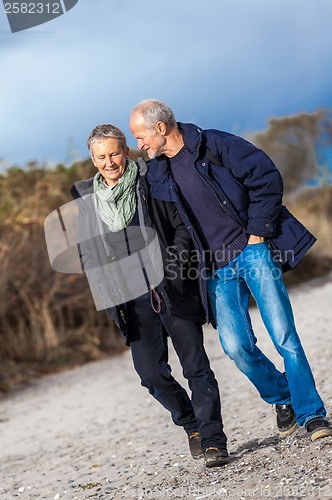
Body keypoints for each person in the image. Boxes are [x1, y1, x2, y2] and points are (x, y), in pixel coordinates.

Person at [129, 99, 332, 442]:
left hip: (253, 252)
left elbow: (265, 176)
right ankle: (283, 396)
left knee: (284, 336)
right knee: (236, 346)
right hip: (215, 270)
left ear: (160, 128)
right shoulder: (157, 172)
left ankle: (312, 414)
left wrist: (257, 232)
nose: (140, 145)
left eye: (141, 136)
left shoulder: (214, 144)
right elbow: (130, 194)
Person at [70, 123, 228, 468]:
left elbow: (182, 228)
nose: (109, 162)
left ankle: (214, 439)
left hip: (170, 288)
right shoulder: (88, 202)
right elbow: (88, 254)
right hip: (131, 302)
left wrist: (171, 268)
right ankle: (191, 425)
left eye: (114, 153)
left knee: (196, 366)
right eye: (101, 156)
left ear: (126, 151)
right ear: (93, 160)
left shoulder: (151, 182)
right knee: (150, 374)